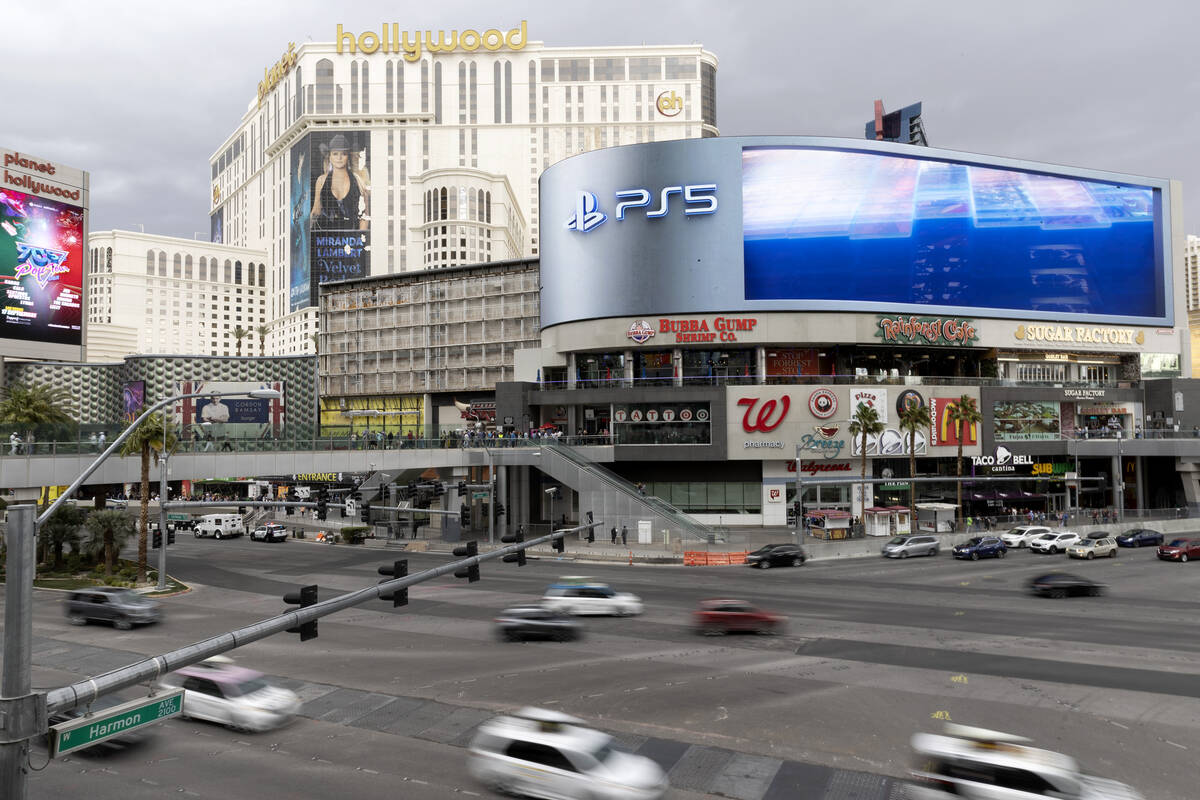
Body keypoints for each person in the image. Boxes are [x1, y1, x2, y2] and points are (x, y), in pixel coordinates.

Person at [311, 133, 370, 232]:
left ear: (348, 156)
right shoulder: (321, 181)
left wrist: (359, 239)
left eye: (343, 154)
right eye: (335, 154)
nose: (339, 158)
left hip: (351, 240)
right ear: (330, 156)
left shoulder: (358, 180)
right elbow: (316, 210)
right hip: (327, 240)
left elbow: (364, 215)